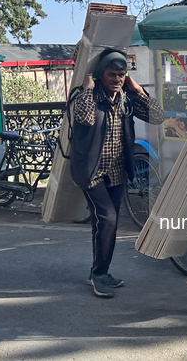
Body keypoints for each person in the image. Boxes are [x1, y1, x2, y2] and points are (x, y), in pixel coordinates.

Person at [70, 49, 164, 298]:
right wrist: (88, 89)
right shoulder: (86, 96)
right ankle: (99, 274)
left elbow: (157, 116)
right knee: (108, 219)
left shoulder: (126, 98)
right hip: (91, 171)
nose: (117, 79)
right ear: (101, 75)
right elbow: (85, 118)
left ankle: (99, 271)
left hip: (117, 170)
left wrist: (138, 89)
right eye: (112, 74)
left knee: (104, 222)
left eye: (122, 75)